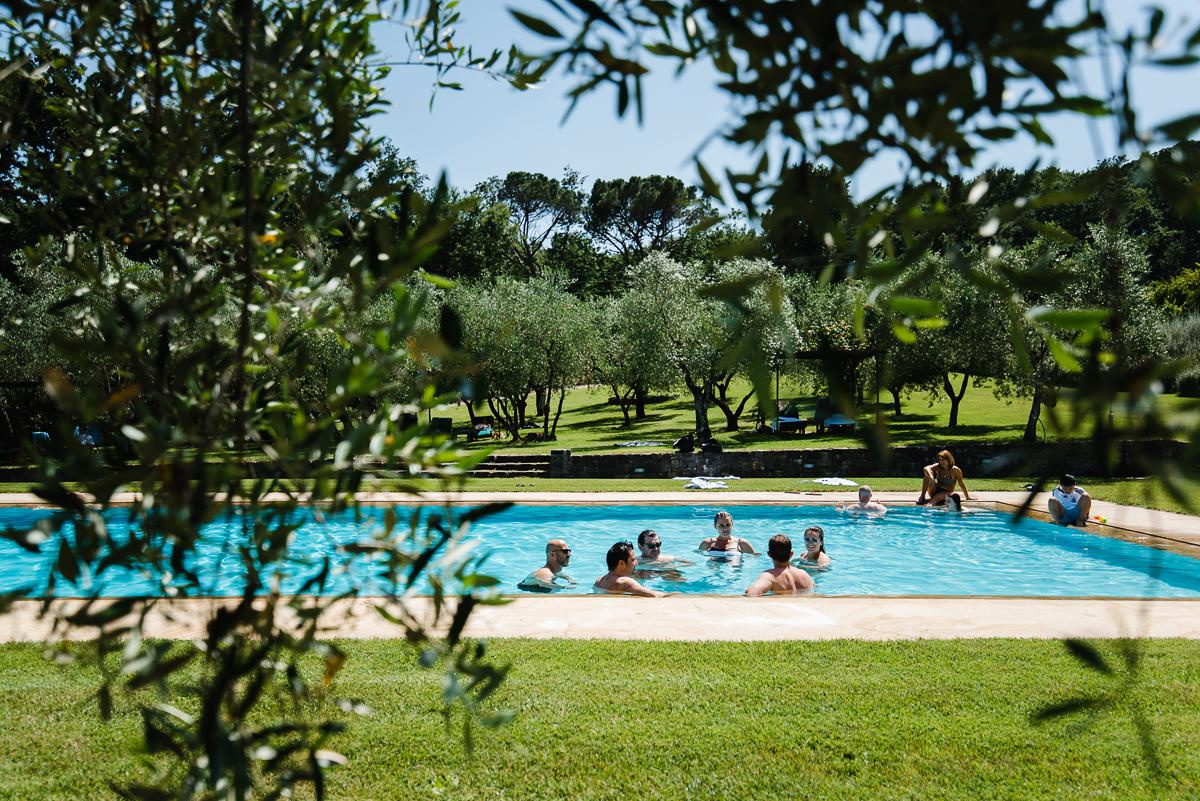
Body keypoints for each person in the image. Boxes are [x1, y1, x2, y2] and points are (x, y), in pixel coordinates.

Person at [745, 534, 815, 596]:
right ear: (791, 554)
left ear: (769, 554)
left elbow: (752, 593)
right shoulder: (804, 574)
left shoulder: (769, 576)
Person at [594, 541, 666, 597]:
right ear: (621, 563)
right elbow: (655, 595)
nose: (636, 563)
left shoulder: (599, 580)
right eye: (633, 560)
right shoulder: (625, 582)